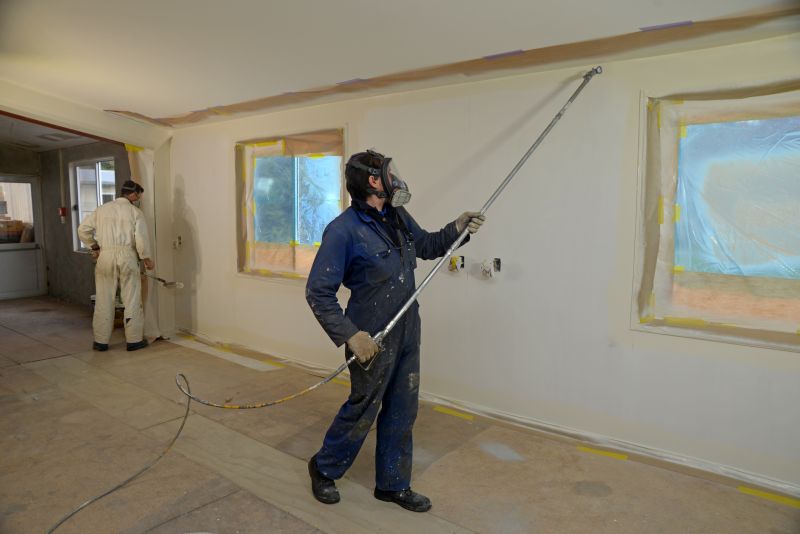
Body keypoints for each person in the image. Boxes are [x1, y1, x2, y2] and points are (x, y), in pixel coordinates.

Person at [305, 149, 485, 512]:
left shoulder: (397, 216)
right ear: (373, 181)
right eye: (389, 172)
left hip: (406, 330)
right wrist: (350, 335)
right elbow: (318, 292)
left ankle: (392, 483)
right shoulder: (343, 231)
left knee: (403, 409)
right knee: (363, 409)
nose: (396, 177)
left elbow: (428, 245)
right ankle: (324, 468)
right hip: (371, 337)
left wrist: (457, 228)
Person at [78, 179, 154, 352]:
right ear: (133, 194)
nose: (139, 198)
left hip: (105, 256)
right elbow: (141, 239)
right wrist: (146, 258)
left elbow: (82, 229)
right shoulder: (135, 212)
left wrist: (94, 246)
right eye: (139, 195)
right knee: (132, 298)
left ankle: (100, 342)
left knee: (104, 299)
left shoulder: (101, 209)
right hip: (127, 256)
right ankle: (134, 340)